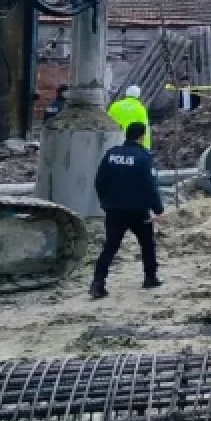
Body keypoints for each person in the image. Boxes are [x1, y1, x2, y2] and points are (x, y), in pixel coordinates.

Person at [90, 122, 163, 299]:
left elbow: (99, 181)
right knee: (147, 245)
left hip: (114, 209)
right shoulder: (143, 157)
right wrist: (158, 209)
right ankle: (150, 277)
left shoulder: (111, 154)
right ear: (141, 136)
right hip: (138, 210)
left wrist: (105, 201)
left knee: (110, 246)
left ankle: (97, 283)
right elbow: (149, 186)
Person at [108, 86, 151, 150]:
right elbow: (145, 129)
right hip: (130, 144)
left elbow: (107, 121)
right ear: (138, 96)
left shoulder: (115, 106)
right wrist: (146, 148)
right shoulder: (140, 109)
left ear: (126, 93)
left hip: (113, 142)